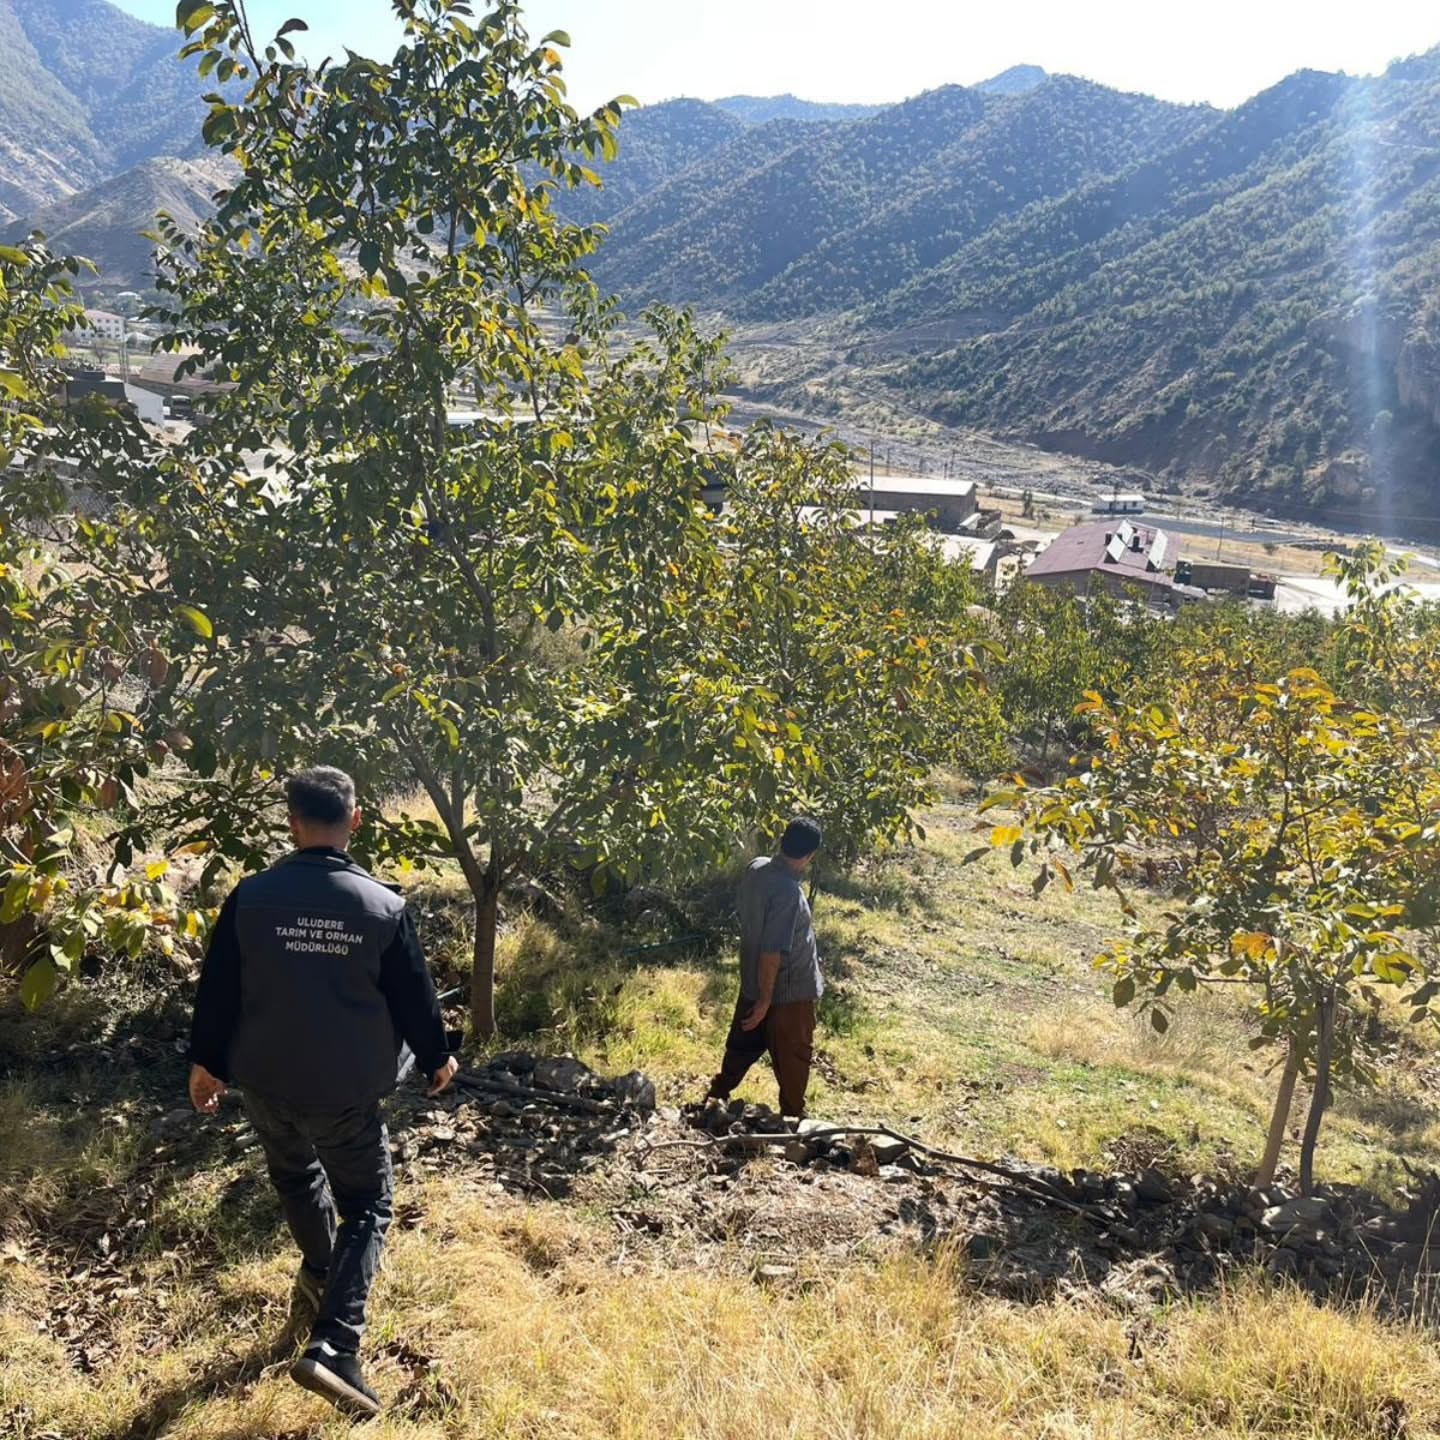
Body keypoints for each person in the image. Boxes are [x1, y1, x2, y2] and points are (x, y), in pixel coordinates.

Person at [187, 765, 458, 1419]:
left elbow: (218, 989)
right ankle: (335, 1346)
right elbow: (413, 996)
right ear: (355, 822)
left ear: (292, 823)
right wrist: (436, 1057)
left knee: (296, 1177)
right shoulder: (383, 907)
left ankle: (317, 1274)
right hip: (343, 1091)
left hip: (265, 1082)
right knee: (366, 1202)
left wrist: (206, 1065)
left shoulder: (251, 897)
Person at [707, 818, 823, 1119]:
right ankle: (795, 1122)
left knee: (739, 1049)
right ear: (810, 856)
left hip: (753, 983)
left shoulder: (756, 868)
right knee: (794, 1060)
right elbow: (773, 951)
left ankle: (715, 1099)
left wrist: (758, 994)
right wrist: (765, 1001)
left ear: (782, 841)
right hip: (788, 994)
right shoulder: (787, 892)